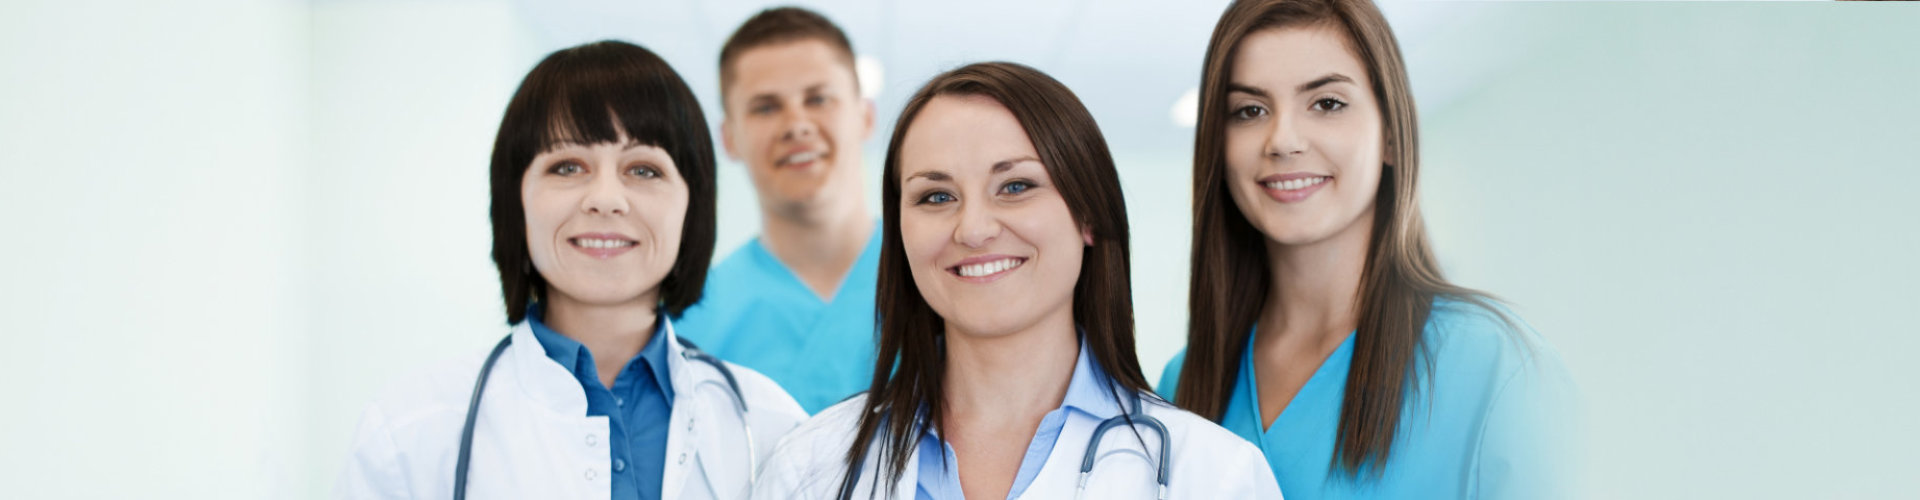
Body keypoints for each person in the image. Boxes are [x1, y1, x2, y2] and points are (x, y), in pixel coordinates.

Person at [753, 62, 1283, 499]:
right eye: (936, 196)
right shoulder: (812, 468)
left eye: (1016, 186)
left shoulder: (1215, 475)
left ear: (1088, 216)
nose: (975, 228)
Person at [336, 40, 807, 500]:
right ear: (515, 204)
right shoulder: (410, 432)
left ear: (692, 208)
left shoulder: (774, 428)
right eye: (566, 166)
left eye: (643, 169)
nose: (605, 198)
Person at [1159, 1, 1578, 498]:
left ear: (1392, 137)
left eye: (1327, 103)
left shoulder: (1495, 366)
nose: (1283, 140)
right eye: (1250, 111)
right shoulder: (1184, 382)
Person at [672, 6, 880, 414]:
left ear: (865, 116)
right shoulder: (690, 326)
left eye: (818, 98)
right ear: (729, 138)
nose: (796, 125)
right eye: (766, 107)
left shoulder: (937, 281)